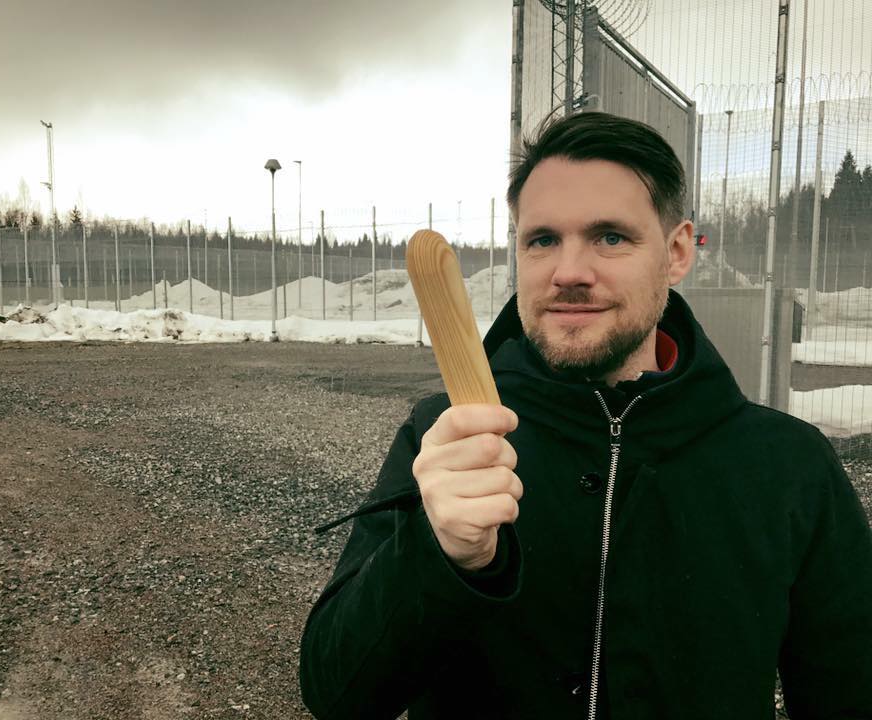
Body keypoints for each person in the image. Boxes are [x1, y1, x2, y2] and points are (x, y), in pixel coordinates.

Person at [299, 111, 872, 720]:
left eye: (610, 237)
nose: (569, 272)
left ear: (677, 252)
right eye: (543, 240)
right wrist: (440, 555)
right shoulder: (450, 436)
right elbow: (337, 694)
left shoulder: (787, 464)